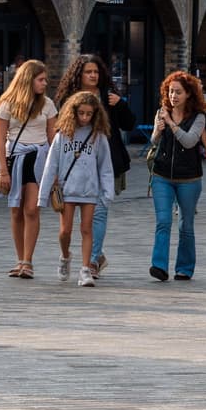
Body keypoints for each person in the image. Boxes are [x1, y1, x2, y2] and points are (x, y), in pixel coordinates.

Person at [54, 54, 135, 277]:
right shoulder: (69, 100)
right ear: (79, 75)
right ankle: (92, 255)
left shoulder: (110, 97)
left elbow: (130, 124)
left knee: (98, 213)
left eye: (96, 72)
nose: (93, 75)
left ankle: (90, 262)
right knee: (70, 226)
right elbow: (60, 131)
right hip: (75, 167)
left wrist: (122, 104)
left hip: (107, 163)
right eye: (88, 72)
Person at [42, 90, 116, 287]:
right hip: (67, 190)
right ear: (73, 112)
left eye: (89, 114)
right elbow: (51, 166)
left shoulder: (98, 137)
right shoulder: (62, 136)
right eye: (81, 113)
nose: (84, 117)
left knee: (86, 229)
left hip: (90, 190)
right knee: (65, 231)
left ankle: (85, 269)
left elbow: (105, 167)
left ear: (95, 114)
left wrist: (107, 193)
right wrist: (43, 195)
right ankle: (65, 256)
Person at [0, 59, 54, 278]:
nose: (44, 83)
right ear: (28, 80)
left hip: (38, 158)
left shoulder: (47, 104)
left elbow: (53, 137)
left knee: (31, 209)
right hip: (15, 159)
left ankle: (28, 261)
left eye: (45, 79)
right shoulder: (7, 104)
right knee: (16, 210)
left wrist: (55, 169)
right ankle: (19, 259)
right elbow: (1, 140)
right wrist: (3, 170)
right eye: (40, 79)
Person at [150, 70, 206, 282]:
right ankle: (159, 266)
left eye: (178, 92)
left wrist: (172, 125)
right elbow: (154, 142)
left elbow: (189, 141)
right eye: (170, 91)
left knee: (186, 225)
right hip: (162, 175)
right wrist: (158, 130)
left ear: (189, 94)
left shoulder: (199, 117)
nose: (173, 96)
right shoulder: (162, 111)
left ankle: (184, 268)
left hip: (189, 179)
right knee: (163, 221)